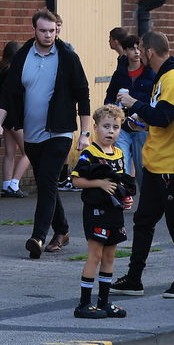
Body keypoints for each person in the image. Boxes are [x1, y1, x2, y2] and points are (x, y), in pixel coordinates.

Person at [0, 9, 91, 259]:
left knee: (47, 182)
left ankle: (37, 236)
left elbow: (83, 94)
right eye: (43, 31)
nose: (48, 35)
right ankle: (62, 230)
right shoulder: (23, 56)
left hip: (59, 132)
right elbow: (8, 92)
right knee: (46, 183)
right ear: (34, 30)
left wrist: (85, 133)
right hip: (31, 134)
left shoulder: (68, 57)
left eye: (52, 30)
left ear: (57, 29)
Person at [112, 30, 174, 299]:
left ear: (149, 51)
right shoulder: (164, 78)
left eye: (142, 50)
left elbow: (164, 116)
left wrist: (133, 102)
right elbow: (159, 118)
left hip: (173, 164)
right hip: (158, 161)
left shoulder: (173, 78)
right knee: (144, 220)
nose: (140, 55)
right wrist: (140, 120)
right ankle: (134, 278)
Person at [68, 104, 137, 319]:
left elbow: (119, 182)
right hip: (96, 211)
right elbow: (76, 180)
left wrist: (126, 197)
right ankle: (84, 304)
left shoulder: (118, 153)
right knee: (95, 256)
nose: (111, 131)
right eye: (106, 126)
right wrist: (99, 183)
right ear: (96, 127)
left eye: (115, 127)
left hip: (114, 212)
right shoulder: (89, 153)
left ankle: (104, 302)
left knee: (110, 256)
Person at [104, 31, 147, 177]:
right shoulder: (120, 74)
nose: (136, 52)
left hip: (142, 127)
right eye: (132, 49)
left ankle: (144, 198)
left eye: (138, 49)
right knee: (122, 166)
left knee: (141, 169)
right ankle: (125, 196)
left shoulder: (150, 73)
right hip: (122, 126)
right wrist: (111, 111)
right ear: (126, 51)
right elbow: (109, 96)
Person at [0, 40, 29, 197]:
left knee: (10, 152)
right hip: (14, 116)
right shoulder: (11, 73)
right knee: (30, 152)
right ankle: (14, 184)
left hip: (5, 117)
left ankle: (6, 184)